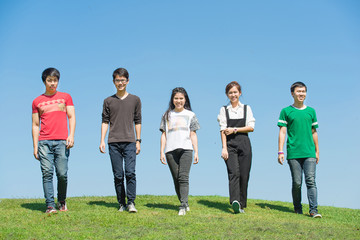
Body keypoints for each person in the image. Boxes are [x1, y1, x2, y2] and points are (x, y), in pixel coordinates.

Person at [32, 67, 76, 213]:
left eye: (55, 80)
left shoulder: (66, 97)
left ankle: (61, 201)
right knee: (47, 173)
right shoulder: (37, 101)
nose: (52, 83)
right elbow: (35, 125)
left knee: (62, 174)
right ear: (44, 81)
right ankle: (50, 205)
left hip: (62, 141)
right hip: (44, 142)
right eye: (49, 80)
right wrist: (35, 146)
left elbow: (71, 117)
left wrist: (71, 135)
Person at [99, 67, 142, 213]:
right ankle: (121, 203)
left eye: (123, 80)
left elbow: (138, 121)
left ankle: (131, 202)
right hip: (113, 142)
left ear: (128, 81)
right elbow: (105, 121)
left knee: (130, 172)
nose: (120, 83)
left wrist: (138, 140)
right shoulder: (108, 101)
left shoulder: (135, 100)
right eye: (117, 80)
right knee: (118, 175)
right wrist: (102, 140)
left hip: (130, 141)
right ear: (113, 82)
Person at [277, 81, 321, 218]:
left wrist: (317, 151)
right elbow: (283, 132)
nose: (301, 94)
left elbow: (314, 132)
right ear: (292, 93)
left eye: (303, 91)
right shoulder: (286, 111)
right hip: (294, 152)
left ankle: (313, 210)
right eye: (298, 91)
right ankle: (297, 208)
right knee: (297, 182)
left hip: (309, 152)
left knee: (311, 180)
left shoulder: (311, 111)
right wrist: (280, 151)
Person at [160, 87, 200, 216]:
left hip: (186, 149)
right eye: (176, 98)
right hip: (170, 150)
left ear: (185, 99)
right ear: (172, 100)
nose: (179, 101)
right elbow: (164, 134)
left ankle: (183, 205)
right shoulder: (167, 115)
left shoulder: (190, 115)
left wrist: (196, 152)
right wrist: (161, 151)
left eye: (181, 98)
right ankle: (184, 202)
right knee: (176, 178)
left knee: (183, 177)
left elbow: (193, 134)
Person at [217, 81, 255, 214]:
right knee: (234, 173)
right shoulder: (224, 110)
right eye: (230, 92)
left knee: (244, 175)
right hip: (230, 145)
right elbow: (222, 130)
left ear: (240, 93)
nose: (233, 95)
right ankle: (235, 201)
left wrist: (234, 129)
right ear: (227, 94)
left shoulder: (246, 108)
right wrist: (224, 148)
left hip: (244, 143)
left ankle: (242, 204)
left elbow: (251, 127)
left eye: (235, 92)